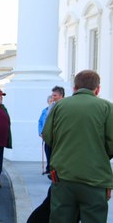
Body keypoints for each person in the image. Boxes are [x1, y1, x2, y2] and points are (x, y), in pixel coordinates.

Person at [42, 70, 113, 223]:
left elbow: (47, 137)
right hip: (95, 178)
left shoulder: (59, 107)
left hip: (63, 176)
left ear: (74, 88)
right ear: (98, 89)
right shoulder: (107, 107)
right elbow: (111, 144)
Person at [38, 86, 65, 174]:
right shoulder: (50, 107)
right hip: (50, 136)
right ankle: (51, 171)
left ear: (61, 95)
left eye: (55, 95)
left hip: (60, 136)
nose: (53, 97)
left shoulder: (66, 105)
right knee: (49, 154)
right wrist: (42, 132)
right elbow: (45, 121)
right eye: (52, 95)